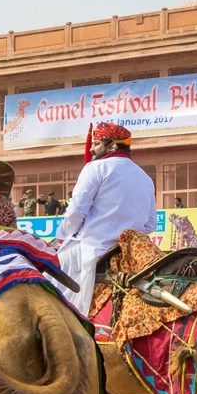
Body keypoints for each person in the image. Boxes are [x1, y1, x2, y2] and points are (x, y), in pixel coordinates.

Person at [55, 122, 157, 316]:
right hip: (130, 252)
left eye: (96, 144)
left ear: (112, 145)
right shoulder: (145, 177)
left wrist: (63, 235)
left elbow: (76, 211)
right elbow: (150, 223)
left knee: (43, 280)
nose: (92, 149)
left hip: (94, 249)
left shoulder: (95, 168)